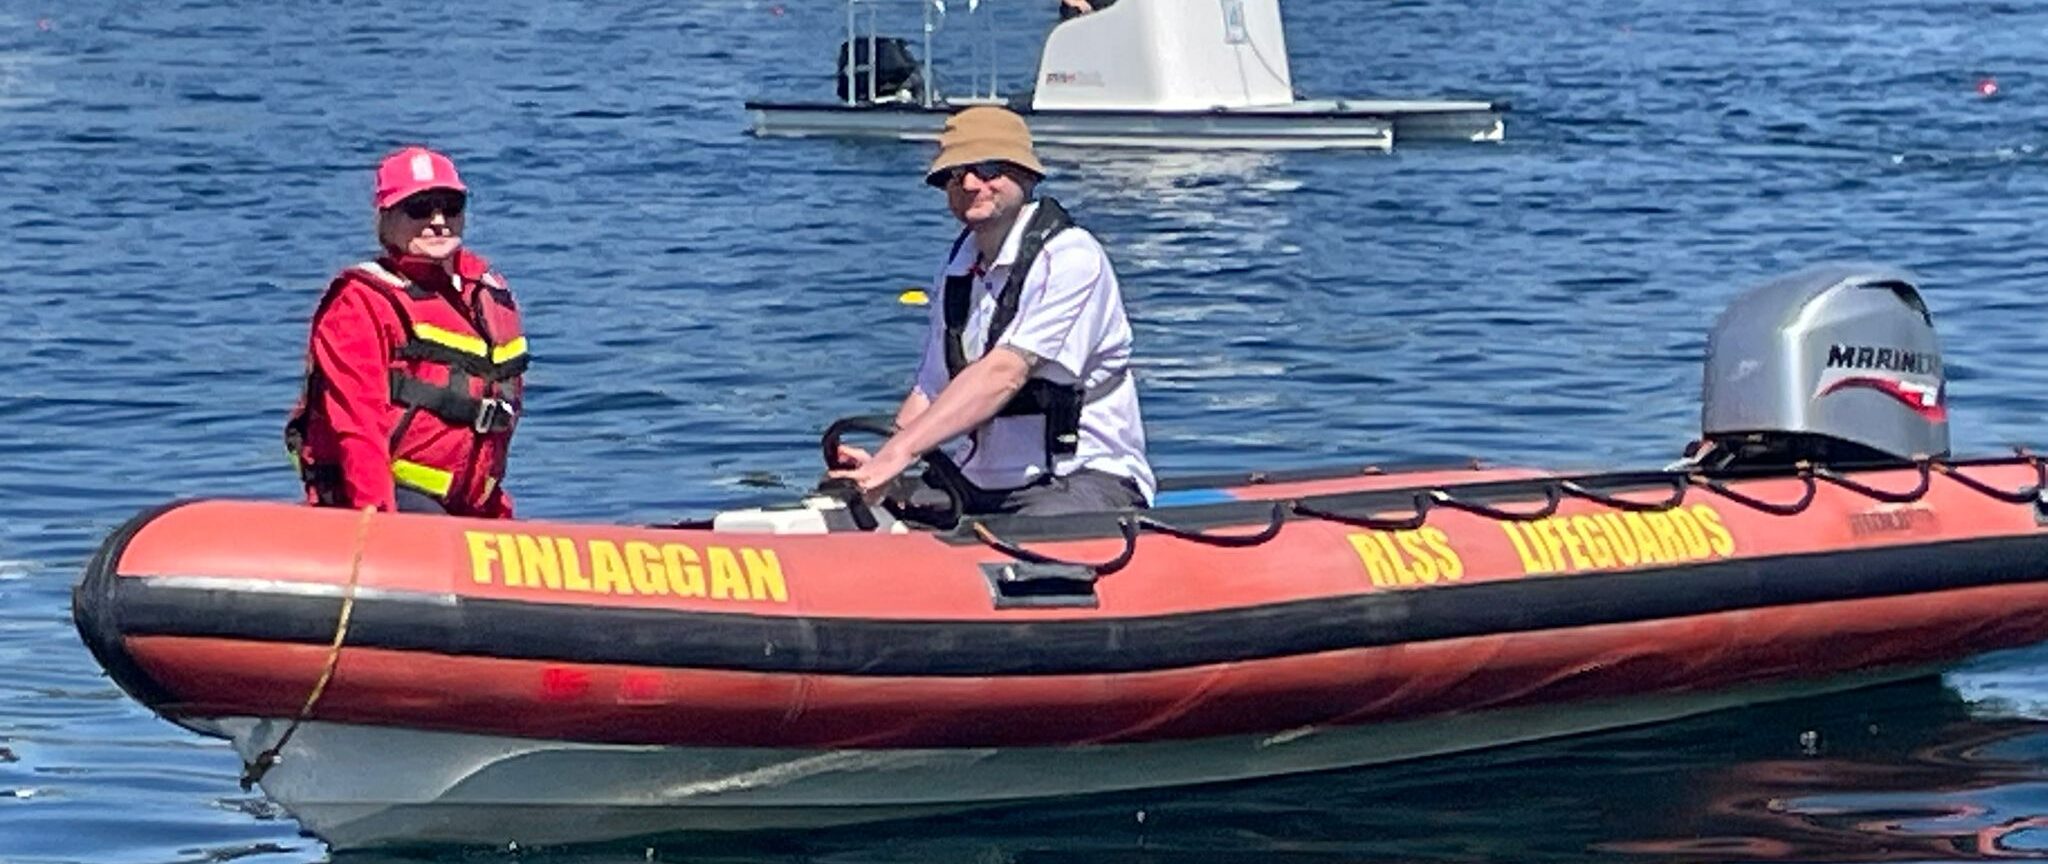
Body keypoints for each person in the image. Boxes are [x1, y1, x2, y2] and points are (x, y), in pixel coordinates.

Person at [832, 106, 1152, 517]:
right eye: (953, 174)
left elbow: (1005, 373)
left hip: (1080, 478)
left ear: (1026, 175)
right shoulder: (958, 267)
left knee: (1038, 540)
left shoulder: (1071, 257)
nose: (968, 183)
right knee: (861, 511)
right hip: (977, 480)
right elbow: (930, 391)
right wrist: (882, 463)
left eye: (986, 168)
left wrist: (901, 452)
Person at [284, 146, 527, 518]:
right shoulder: (360, 303)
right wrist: (379, 518)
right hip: (396, 501)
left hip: (472, 504)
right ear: (387, 219)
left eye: (450, 205)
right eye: (419, 208)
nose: (438, 220)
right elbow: (357, 424)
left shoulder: (485, 291)